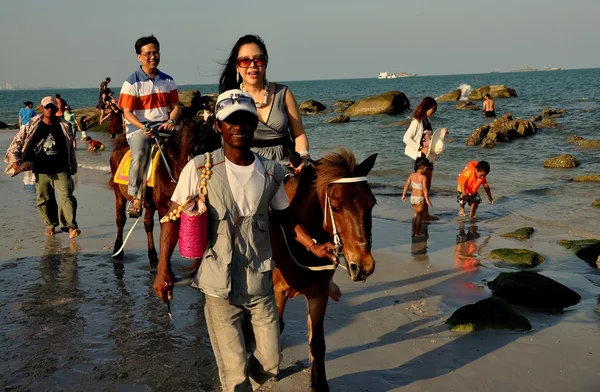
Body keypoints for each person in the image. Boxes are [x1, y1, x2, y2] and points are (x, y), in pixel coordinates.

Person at [153, 90, 338, 392]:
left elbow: (285, 216)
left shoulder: (270, 171)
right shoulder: (200, 168)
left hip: (259, 283)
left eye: (245, 121)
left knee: (271, 362)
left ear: (254, 126)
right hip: (218, 286)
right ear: (218, 126)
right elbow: (172, 222)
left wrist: (312, 244)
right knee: (235, 373)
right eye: (231, 121)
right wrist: (163, 269)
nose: (238, 127)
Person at [219, 34, 310, 168]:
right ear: (237, 66)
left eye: (258, 60)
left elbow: (299, 134)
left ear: (265, 63)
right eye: (245, 61)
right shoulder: (230, 98)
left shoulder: (283, 93)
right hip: (248, 166)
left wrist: (303, 157)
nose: (252, 65)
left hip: (287, 165)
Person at [118, 35, 180, 218]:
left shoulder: (168, 80)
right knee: (139, 155)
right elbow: (127, 113)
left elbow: (175, 107)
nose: (152, 57)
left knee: (189, 146)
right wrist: (142, 126)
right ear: (139, 57)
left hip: (163, 126)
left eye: (156, 53)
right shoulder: (131, 83)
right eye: (148, 54)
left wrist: (171, 121)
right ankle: (136, 197)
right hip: (139, 129)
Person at [4, 96, 80, 238]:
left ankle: (71, 227)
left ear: (57, 109)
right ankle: (50, 224)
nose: (49, 109)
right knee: (44, 199)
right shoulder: (33, 124)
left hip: (62, 167)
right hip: (41, 168)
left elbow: (70, 147)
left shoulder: (64, 125)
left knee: (67, 197)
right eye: (47, 107)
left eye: (52, 106)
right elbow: (17, 141)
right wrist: (14, 159)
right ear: (41, 108)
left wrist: (73, 165)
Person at [403, 96, 441, 221]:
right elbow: (406, 138)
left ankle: (425, 214)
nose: (434, 111)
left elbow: (428, 139)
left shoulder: (427, 121)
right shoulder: (417, 122)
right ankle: (420, 213)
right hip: (420, 159)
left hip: (428, 158)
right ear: (427, 107)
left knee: (427, 186)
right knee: (421, 187)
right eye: (433, 108)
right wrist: (420, 148)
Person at [402, 157, 433, 237]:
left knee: (415, 215)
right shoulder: (423, 178)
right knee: (419, 216)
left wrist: (403, 195)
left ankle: (413, 231)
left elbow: (406, 186)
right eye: (426, 167)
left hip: (412, 198)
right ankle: (417, 233)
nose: (426, 168)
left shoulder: (412, 175)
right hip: (420, 199)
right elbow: (425, 190)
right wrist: (427, 200)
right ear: (424, 167)